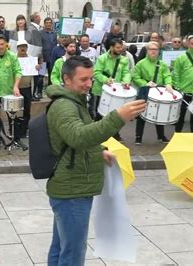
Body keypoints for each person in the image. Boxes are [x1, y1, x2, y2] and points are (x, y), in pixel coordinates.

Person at [45, 56, 145, 266]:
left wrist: (98, 152)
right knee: (72, 254)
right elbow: (78, 137)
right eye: (83, 79)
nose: (89, 84)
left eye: (91, 79)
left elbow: (72, 139)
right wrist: (117, 117)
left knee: (61, 247)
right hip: (72, 190)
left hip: (71, 186)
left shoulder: (74, 102)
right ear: (67, 79)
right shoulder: (64, 106)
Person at [132, 41, 173, 145]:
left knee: (159, 112)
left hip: (158, 90)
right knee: (142, 113)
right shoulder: (141, 63)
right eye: (151, 49)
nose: (153, 52)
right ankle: (138, 136)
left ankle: (161, 136)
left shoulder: (162, 64)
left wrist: (168, 84)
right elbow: (135, 77)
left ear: (159, 51)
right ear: (147, 51)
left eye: (156, 50)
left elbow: (167, 75)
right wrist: (145, 83)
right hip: (145, 90)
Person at [92, 38, 131, 141]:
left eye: (121, 47)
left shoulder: (124, 60)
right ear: (111, 47)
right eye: (118, 47)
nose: (120, 49)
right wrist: (105, 80)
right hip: (101, 90)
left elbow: (126, 73)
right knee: (100, 113)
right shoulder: (102, 58)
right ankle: (96, 133)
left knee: (116, 114)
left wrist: (126, 81)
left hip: (117, 91)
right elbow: (96, 72)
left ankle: (114, 134)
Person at [16, 40, 38, 139]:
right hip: (16, 89)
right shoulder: (14, 59)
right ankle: (15, 130)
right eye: (20, 46)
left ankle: (24, 130)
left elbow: (36, 73)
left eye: (24, 46)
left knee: (26, 110)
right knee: (14, 110)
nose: (22, 48)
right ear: (17, 48)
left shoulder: (31, 60)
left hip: (27, 88)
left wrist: (37, 68)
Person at [41, 17, 57, 87]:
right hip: (43, 57)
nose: (48, 24)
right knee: (41, 75)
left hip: (52, 57)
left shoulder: (55, 34)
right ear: (44, 24)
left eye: (50, 23)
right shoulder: (40, 33)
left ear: (52, 24)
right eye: (46, 23)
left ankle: (50, 88)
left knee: (51, 73)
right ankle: (39, 91)